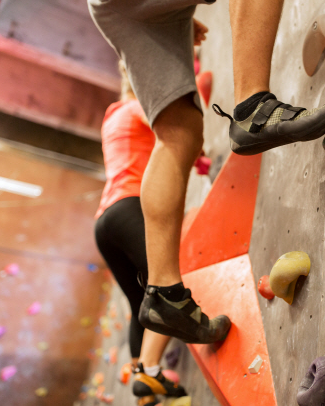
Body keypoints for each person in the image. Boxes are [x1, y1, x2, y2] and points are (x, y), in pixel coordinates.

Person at [87, 0, 325, 343]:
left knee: (178, 136)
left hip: (111, 1)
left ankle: (165, 292)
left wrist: (161, 1)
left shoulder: (113, 116)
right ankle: (253, 107)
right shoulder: (127, 112)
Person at [94, 61, 189, 406]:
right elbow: (175, 133)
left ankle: (144, 387)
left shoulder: (112, 115)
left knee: (140, 303)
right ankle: (149, 371)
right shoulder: (138, 108)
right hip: (127, 207)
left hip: (104, 222)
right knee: (164, 282)